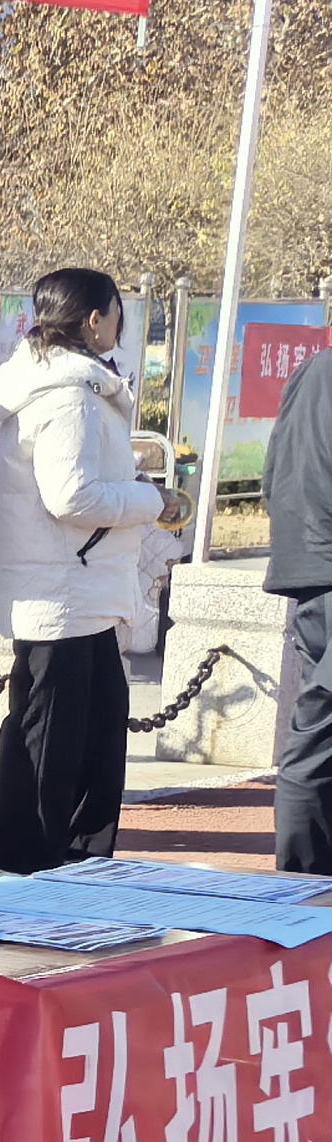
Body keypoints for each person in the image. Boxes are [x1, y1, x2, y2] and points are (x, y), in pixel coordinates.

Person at [0, 269, 174, 873]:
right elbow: (71, 496)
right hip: (63, 590)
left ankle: (73, 863)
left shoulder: (65, 384)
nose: (121, 326)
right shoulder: (70, 394)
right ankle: (17, 866)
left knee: (91, 731)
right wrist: (149, 499)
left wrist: (136, 491)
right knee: (49, 736)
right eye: (117, 313)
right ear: (94, 320)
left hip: (75, 587)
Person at [264, 340, 332, 871]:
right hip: (323, 556)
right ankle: (303, 880)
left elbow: (273, 473)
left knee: (319, 720)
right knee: (319, 728)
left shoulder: (310, 371)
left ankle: (304, 879)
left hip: (308, 564)